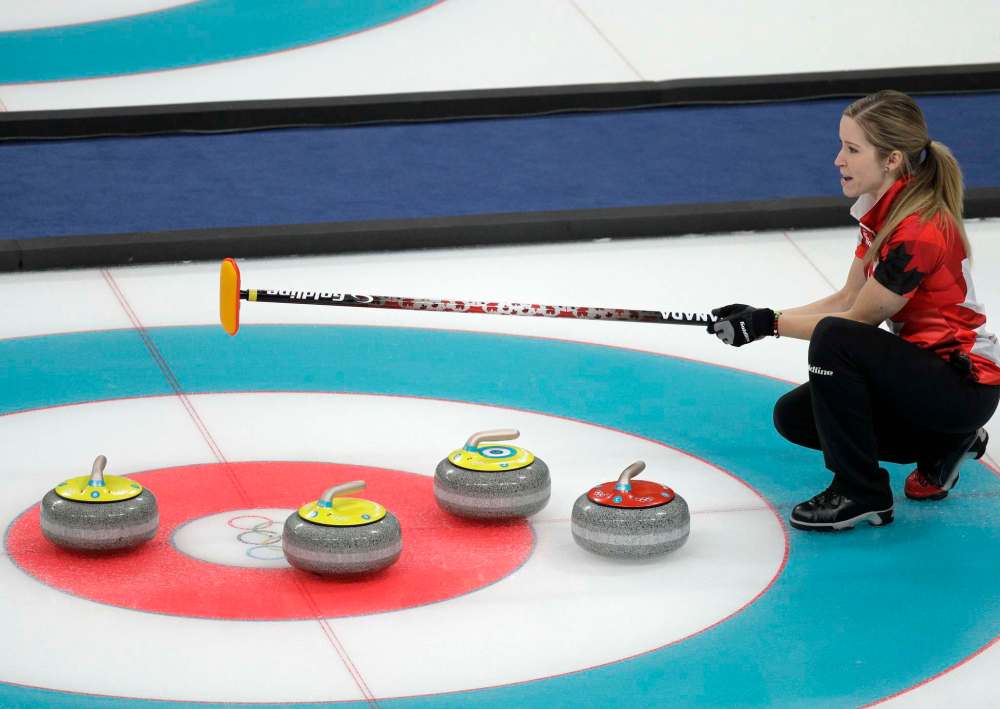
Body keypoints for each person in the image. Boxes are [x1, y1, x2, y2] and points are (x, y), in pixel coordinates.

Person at [708, 89, 1000, 532]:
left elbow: (857, 321)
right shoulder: (884, 211)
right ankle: (944, 444)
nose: (837, 160)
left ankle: (861, 490)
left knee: (836, 341)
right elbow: (847, 298)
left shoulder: (918, 229)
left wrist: (768, 325)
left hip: (962, 384)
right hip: (927, 378)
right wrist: (761, 317)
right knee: (795, 417)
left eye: (851, 148)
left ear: (892, 159)